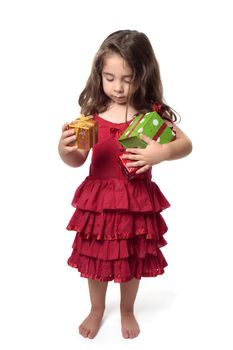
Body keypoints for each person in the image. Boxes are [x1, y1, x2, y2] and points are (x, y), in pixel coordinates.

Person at [58, 29, 192, 340]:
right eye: (110, 77)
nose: (118, 87)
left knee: (132, 257)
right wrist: (64, 151)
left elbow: (186, 145)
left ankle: (127, 308)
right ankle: (96, 308)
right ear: (99, 74)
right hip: (99, 202)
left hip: (136, 201)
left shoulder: (151, 115)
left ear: (143, 75)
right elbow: (77, 159)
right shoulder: (92, 114)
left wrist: (162, 152)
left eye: (127, 78)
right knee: (96, 257)